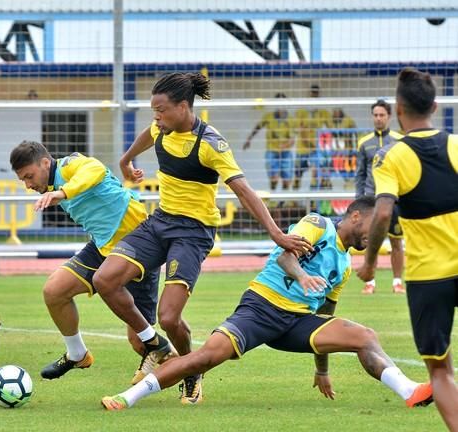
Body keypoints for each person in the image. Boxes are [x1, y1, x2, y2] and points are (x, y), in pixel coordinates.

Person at [92, 72, 311, 405]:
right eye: (153, 110)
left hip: (193, 233)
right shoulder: (160, 128)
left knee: (169, 316)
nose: (156, 116)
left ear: (183, 106)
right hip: (160, 222)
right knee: (104, 279)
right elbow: (145, 137)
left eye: (161, 109)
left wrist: (277, 234)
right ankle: (155, 344)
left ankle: (190, 369)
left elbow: (243, 190)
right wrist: (125, 161)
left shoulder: (210, 144)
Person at [102, 197, 434, 411]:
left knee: (364, 336)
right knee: (203, 358)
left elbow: (324, 316)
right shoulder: (318, 225)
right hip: (260, 309)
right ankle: (128, 398)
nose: (376, 234)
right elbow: (285, 255)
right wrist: (302, 277)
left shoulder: (344, 266)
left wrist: (321, 370)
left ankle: (409, 391)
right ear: (357, 215)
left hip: (297, 324)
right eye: (375, 225)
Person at [357, 67, 457, 430]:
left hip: (429, 276)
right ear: (434, 105)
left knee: (441, 370)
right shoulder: (456, 145)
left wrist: (369, 264)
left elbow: (383, 212)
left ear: (398, 110)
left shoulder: (391, 156)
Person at [10, 140, 161, 379]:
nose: (28, 185)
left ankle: (188, 370)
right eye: (23, 181)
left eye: (29, 176)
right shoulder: (52, 185)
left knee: (139, 342)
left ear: (45, 163)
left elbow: (96, 169)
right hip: (103, 247)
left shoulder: (68, 166)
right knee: (54, 291)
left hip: (136, 242)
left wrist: (63, 192)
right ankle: (77, 354)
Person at [355, 100, 405, 295]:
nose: (378, 118)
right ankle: (370, 283)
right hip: (370, 200)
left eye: (382, 115)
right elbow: (360, 174)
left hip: (393, 200)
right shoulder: (364, 143)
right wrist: (359, 199)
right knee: (369, 241)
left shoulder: (398, 141)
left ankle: (397, 282)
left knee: (396, 242)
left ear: (389, 116)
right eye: (375, 115)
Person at [243, 92, 294, 192]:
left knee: (286, 181)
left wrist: (283, 147)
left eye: (282, 103)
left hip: (285, 153)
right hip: (272, 151)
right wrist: (249, 139)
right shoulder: (269, 116)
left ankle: (282, 202)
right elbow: (258, 127)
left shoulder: (290, 120)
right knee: (274, 179)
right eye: (278, 103)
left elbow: (292, 140)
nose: (280, 106)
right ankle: (273, 198)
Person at [293, 84, 332, 190]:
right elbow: (297, 130)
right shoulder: (301, 112)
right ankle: (293, 200)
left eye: (316, 93)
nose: (314, 95)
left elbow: (331, 130)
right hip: (302, 149)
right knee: (297, 175)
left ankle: (313, 197)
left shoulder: (323, 113)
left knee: (316, 171)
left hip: (316, 149)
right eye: (313, 93)